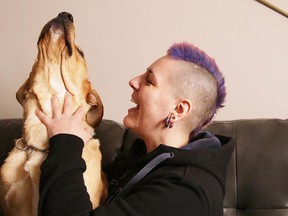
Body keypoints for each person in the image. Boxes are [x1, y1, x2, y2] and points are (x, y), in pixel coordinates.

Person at [36, 42, 234, 216]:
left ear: (178, 109)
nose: (133, 81)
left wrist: (66, 143)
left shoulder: (185, 193)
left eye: (149, 80)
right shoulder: (138, 159)